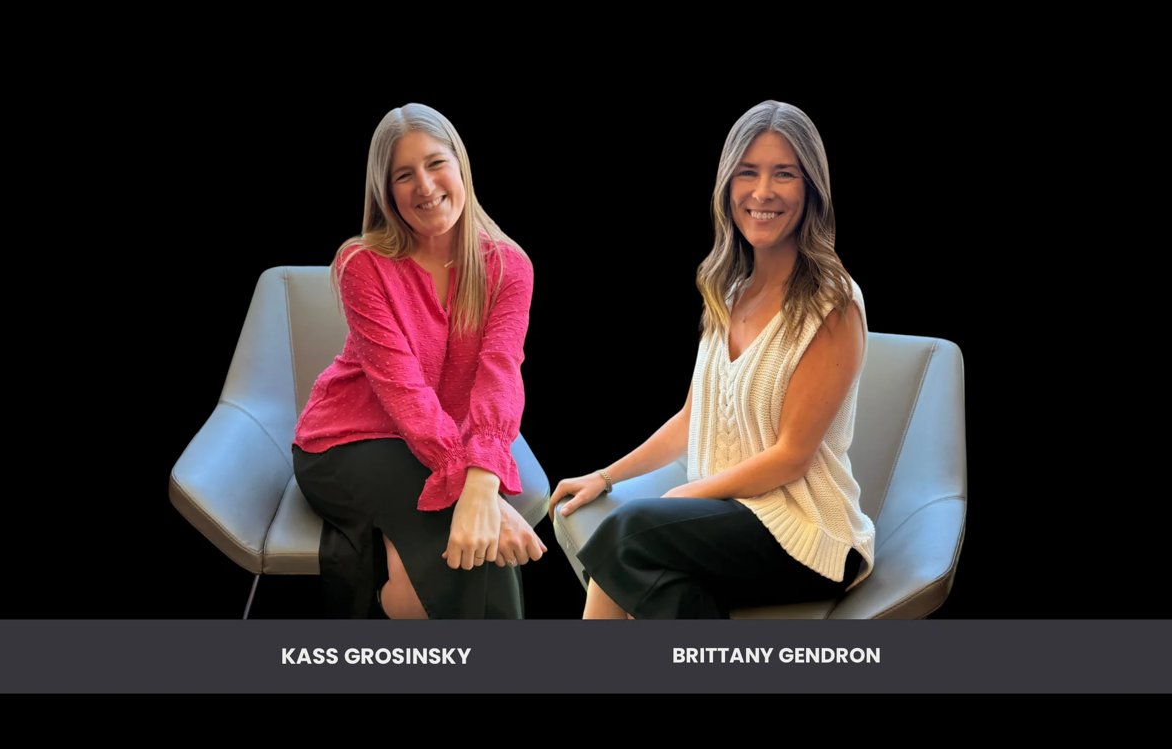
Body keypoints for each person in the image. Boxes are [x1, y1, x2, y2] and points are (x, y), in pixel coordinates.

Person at [550, 99, 873, 619]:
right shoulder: (730, 291)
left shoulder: (832, 304)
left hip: (808, 534)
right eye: (748, 172)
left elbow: (792, 456)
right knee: (668, 590)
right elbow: (692, 416)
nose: (762, 192)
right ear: (727, 185)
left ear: (811, 188)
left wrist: (685, 496)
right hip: (728, 520)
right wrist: (606, 476)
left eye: (784, 173)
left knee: (628, 535)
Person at [292, 103, 545, 619]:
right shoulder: (361, 264)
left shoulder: (509, 266)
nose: (425, 187)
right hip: (346, 443)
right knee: (482, 534)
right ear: (386, 193)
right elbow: (403, 390)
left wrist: (482, 480)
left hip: (434, 448)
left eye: (435, 163)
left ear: (460, 164)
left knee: (469, 545)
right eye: (404, 175)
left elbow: (500, 375)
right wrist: (479, 490)